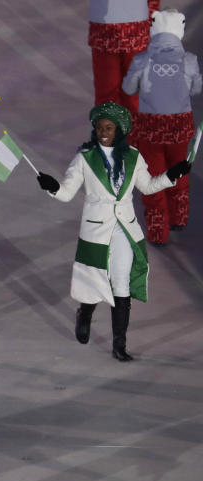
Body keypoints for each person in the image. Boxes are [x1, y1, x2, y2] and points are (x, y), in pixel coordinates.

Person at [35, 102, 190, 361]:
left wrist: (171, 175)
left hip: (124, 229)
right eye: (99, 128)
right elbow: (66, 193)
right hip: (96, 229)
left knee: (120, 283)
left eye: (108, 127)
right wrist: (52, 187)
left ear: (119, 130)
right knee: (95, 278)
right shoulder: (84, 158)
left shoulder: (133, 156)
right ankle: (85, 312)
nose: (103, 132)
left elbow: (149, 186)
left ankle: (119, 344)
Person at [122, 7, 201, 244]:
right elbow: (196, 90)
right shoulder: (190, 60)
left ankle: (158, 229)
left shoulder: (142, 60)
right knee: (180, 169)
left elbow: (127, 89)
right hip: (179, 126)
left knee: (154, 176)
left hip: (150, 129)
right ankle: (179, 216)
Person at [87, 0, 159, 115]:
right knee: (109, 98)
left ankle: (134, 130)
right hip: (107, 35)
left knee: (132, 97)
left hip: (133, 35)